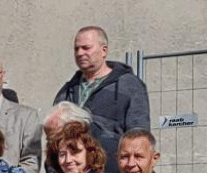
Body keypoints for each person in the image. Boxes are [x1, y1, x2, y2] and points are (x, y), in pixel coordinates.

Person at [53, 26, 151, 162]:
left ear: (104, 50)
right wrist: (54, 171)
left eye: (86, 48)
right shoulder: (67, 91)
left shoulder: (129, 86)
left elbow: (138, 135)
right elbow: (54, 137)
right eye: (76, 49)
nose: (80, 53)